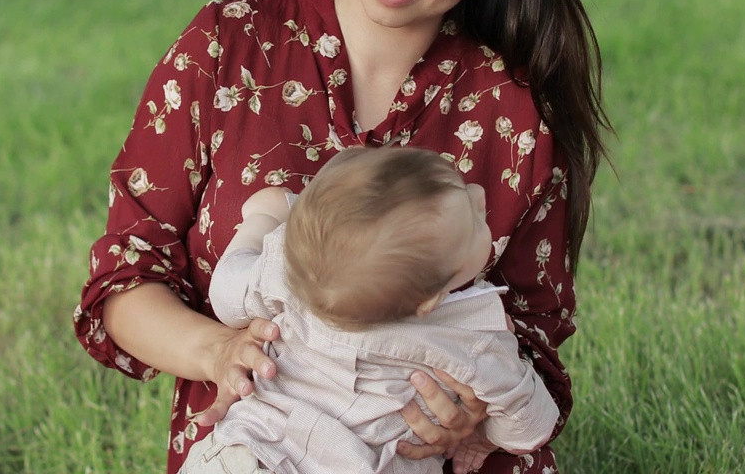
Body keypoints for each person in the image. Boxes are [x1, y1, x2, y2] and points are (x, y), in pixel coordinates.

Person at [74, 0, 609, 474]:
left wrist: (470, 419)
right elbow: (123, 280)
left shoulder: (509, 114)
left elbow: (534, 344)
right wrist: (219, 351)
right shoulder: (228, 50)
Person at [182, 145, 560, 474]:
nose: (479, 193)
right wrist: (482, 437)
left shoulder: (293, 271)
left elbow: (228, 294)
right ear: (428, 302)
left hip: (250, 456)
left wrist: (261, 222)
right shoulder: (475, 337)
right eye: (477, 221)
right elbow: (532, 424)